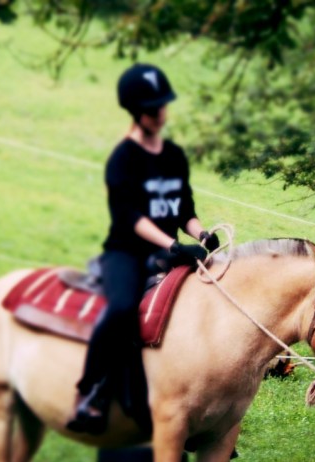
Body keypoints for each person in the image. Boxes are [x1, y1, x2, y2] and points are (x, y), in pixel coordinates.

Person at [66, 63, 219, 434]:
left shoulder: (174, 155)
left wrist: (203, 236)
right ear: (137, 113)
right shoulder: (123, 159)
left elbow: (184, 210)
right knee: (121, 309)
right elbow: (130, 216)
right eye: (153, 109)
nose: (161, 114)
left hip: (171, 251)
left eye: (162, 106)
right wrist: (174, 245)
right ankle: (90, 391)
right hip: (127, 253)